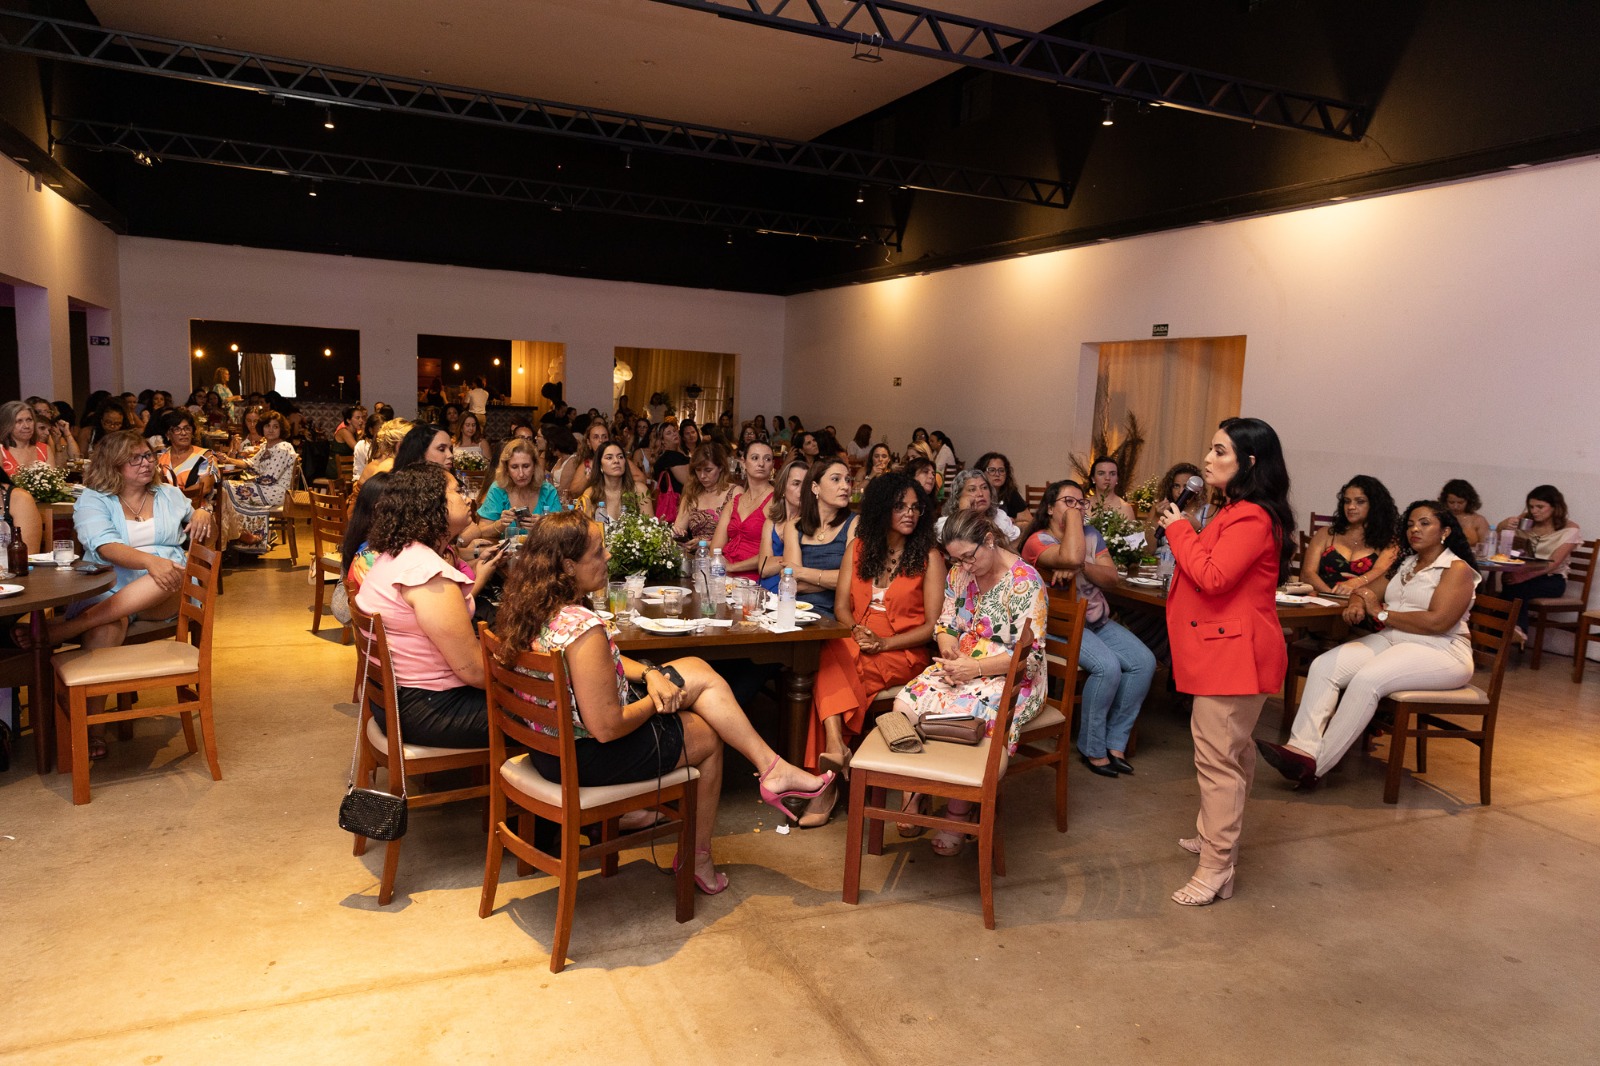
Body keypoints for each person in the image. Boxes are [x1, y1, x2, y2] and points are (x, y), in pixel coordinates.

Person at [492, 510, 833, 893]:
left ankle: (772, 767)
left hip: (548, 750)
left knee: (696, 669)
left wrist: (652, 674)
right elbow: (608, 727)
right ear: (568, 565)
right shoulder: (583, 630)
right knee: (707, 735)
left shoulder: (530, 609)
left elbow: (604, 664)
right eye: (598, 552)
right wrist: (656, 701)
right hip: (587, 756)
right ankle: (699, 859)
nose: (608, 557)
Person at [1154, 416, 1294, 907]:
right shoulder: (1236, 509)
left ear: (1249, 463)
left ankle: (1216, 865)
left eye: (1220, 452)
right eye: (1210, 450)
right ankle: (1216, 836)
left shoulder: (1252, 517)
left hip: (1235, 654)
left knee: (1218, 760)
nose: (1207, 460)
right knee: (1229, 753)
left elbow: (1212, 577)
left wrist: (1176, 530)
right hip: (1223, 648)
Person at [1258, 499, 1479, 789]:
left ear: (1445, 532)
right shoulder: (1407, 562)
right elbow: (1365, 591)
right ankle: (1302, 749)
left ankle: (1315, 766)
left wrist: (1382, 612)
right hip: (1395, 639)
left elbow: (1438, 622)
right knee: (1325, 665)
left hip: (1441, 649)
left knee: (1366, 680)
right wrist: (1357, 602)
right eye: (1411, 523)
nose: (1415, 529)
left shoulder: (1456, 569)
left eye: (1424, 523)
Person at [34, 431, 213, 760]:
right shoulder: (93, 499)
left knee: (168, 575)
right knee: (108, 625)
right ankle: (95, 729)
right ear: (112, 465)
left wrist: (205, 511)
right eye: (136, 458)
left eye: (148, 455)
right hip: (109, 588)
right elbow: (104, 546)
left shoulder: (170, 495)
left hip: (166, 594)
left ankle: (64, 630)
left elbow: (201, 521)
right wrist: (150, 561)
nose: (146, 463)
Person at [894, 509, 1046, 855]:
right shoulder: (960, 574)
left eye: (968, 557)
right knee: (904, 704)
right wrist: (949, 653)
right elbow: (946, 625)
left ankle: (955, 812)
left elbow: (1031, 657)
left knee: (967, 716)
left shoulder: (1025, 582)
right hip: (963, 661)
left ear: (990, 541)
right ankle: (913, 789)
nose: (963, 567)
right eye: (956, 559)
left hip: (1010, 672)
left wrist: (974, 670)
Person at [801, 473, 944, 826]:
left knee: (842, 672)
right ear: (882, 509)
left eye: (915, 507)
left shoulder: (929, 557)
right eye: (900, 507)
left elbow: (931, 627)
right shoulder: (860, 548)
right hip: (857, 635)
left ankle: (828, 782)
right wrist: (856, 631)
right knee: (831, 652)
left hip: (903, 650)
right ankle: (835, 750)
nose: (910, 514)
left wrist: (883, 644)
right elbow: (841, 608)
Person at [353, 464, 508, 747]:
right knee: (551, 715)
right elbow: (474, 672)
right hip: (428, 708)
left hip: (396, 701)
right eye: (458, 491)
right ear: (432, 504)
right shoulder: (428, 573)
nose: (467, 498)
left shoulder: (398, 553)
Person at [1023, 480, 1155, 777]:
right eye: (1068, 502)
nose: (1077, 508)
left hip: (1096, 620)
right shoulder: (1038, 540)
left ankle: (1115, 742)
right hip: (1060, 626)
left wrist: (1082, 567)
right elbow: (1068, 555)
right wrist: (1074, 547)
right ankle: (1092, 748)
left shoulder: (1092, 534)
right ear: (1049, 507)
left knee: (1143, 662)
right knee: (1107, 668)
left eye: (1081, 503)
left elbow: (1111, 578)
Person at [1495, 484, 1583, 638]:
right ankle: (1508, 635)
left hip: (1551, 579)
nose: (1534, 511)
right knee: (1508, 583)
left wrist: (1521, 576)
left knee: (1516, 588)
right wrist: (1504, 524)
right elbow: (1502, 537)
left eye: (1540, 507)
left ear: (1555, 507)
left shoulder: (1570, 529)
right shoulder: (1527, 523)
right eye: (1531, 507)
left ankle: (1511, 631)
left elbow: (1553, 564)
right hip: (1522, 573)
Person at [1302, 475, 1401, 598]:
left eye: (1360, 501)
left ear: (1375, 505)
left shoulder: (1389, 541)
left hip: (1361, 604)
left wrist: (1356, 583)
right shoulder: (1326, 534)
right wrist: (1330, 596)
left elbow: (1380, 573)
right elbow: (1308, 574)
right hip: (1322, 600)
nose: (1351, 507)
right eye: (1347, 501)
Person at [784, 457, 857, 616]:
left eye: (848, 480)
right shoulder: (794, 527)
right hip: (798, 612)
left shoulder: (854, 523)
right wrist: (835, 580)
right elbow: (792, 583)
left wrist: (802, 572)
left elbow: (854, 580)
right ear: (815, 487)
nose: (845, 486)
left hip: (837, 614)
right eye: (836, 479)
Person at [217, 410, 297, 549]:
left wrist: (249, 482)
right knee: (224, 490)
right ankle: (237, 535)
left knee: (224, 489)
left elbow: (269, 479)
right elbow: (251, 464)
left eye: (275, 426)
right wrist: (228, 459)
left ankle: (237, 537)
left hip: (276, 493)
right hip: (264, 489)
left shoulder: (283, 447)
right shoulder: (267, 446)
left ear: (281, 429)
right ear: (262, 428)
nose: (270, 430)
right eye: (267, 426)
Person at [470, 438, 562, 541]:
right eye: (514, 467)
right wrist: (500, 524)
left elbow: (563, 533)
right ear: (507, 469)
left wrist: (543, 526)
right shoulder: (498, 489)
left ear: (535, 467)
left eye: (526, 466)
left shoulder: (548, 491)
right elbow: (482, 531)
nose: (521, 474)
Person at [712, 440, 775, 578]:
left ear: (772, 466)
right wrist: (721, 569)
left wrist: (733, 567)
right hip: (724, 574)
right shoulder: (734, 502)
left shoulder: (776, 501)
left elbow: (775, 553)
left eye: (767, 459)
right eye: (755, 458)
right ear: (743, 463)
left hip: (754, 577)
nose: (761, 464)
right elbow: (715, 549)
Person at [756, 457, 808, 593]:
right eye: (796, 484)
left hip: (790, 592)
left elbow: (798, 572)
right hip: (763, 590)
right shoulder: (771, 523)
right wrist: (791, 557)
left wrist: (776, 561)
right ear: (783, 488)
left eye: (806, 484)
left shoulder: (811, 523)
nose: (802, 490)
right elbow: (764, 568)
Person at [1143, 462, 1214, 555]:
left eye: (1186, 486)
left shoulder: (1209, 511)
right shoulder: (1159, 508)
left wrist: (1198, 529)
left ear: (1197, 489)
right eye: (1176, 486)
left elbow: (1212, 551)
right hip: (1161, 565)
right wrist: (1157, 517)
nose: (1180, 491)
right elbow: (1146, 551)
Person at [673, 443, 735, 547]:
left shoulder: (734, 493)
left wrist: (706, 544)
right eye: (698, 470)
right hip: (696, 555)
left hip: (725, 556)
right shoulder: (692, 494)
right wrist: (677, 534)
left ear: (720, 467)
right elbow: (678, 530)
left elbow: (741, 537)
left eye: (708, 470)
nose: (702, 476)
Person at [936, 469, 1021, 544]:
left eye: (984, 487)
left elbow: (1014, 545)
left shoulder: (1000, 517)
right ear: (958, 498)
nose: (980, 494)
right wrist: (966, 514)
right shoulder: (946, 525)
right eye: (972, 489)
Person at [156, 409, 217, 511]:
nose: (183, 433)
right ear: (168, 434)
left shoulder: (205, 456)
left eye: (187, 428)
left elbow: (205, 488)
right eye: (177, 429)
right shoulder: (160, 457)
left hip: (196, 510)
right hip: (164, 509)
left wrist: (173, 499)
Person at [575, 441, 649, 524]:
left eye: (620, 457)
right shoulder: (591, 493)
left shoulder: (639, 490)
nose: (616, 461)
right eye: (609, 458)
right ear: (600, 466)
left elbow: (651, 529)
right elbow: (585, 531)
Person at [0, 400, 54, 476]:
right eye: (19, 421)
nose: (26, 426)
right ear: (7, 424)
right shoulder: (1, 451)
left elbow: (52, 482)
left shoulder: (44, 449)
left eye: (29, 420)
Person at [1440, 478, 1492, 555]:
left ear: (1469, 501)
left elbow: (1486, 548)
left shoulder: (1478, 520)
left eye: (1460, 502)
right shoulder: (1439, 517)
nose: (1455, 506)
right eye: (1451, 502)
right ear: (1445, 501)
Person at [974, 452, 1028, 519]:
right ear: (981, 472)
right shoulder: (977, 494)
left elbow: (1028, 521)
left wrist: (1012, 524)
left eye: (1001, 470)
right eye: (992, 470)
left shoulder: (1011, 493)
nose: (997, 474)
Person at [1088, 456, 1136, 522]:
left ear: (1117, 479)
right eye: (1101, 473)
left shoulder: (1125, 508)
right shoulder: (1083, 505)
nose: (1107, 478)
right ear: (1093, 478)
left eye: (1112, 474)